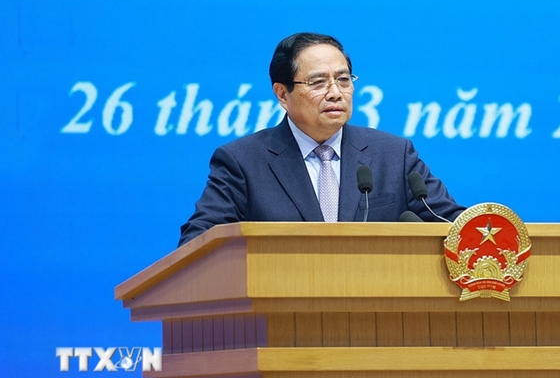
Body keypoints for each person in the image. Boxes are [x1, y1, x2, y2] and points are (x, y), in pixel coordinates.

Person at [178, 32, 464, 246]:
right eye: (318, 82)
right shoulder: (243, 162)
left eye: (343, 80)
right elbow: (199, 242)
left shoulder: (393, 154)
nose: (335, 93)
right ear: (282, 94)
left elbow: (454, 226)